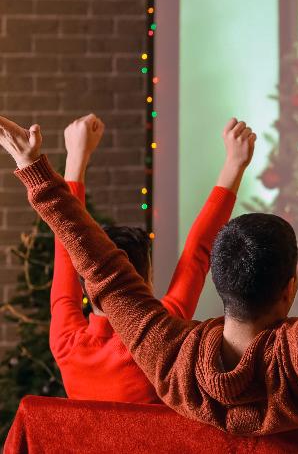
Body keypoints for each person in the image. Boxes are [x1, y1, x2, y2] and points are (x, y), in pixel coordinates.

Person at [0, 87, 298, 435]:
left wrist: (36, 171)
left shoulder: (174, 362)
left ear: (220, 280)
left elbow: (105, 273)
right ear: (290, 289)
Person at [51, 114, 252, 403]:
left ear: (85, 285)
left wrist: (76, 158)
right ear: (147, 282)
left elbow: (66, 246)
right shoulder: (160, 335)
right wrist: (235, 163)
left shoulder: (66, 341)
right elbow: (197, 253)